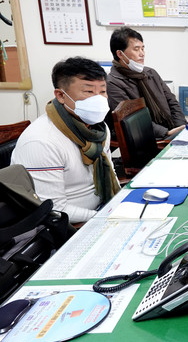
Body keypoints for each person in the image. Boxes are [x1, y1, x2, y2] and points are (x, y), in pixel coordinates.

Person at [11, 57, 121, 224]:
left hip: (103, 209)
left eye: (102, 91)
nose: (98, 99)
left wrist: (120, 204)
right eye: (89, 92)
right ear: (61, 95)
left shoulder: (99, 128)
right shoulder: (42, 141)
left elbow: (110, 171)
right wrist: (103, 218)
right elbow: (54, 209)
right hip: (69, 226)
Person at [107, 27, 186, 139]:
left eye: (142, 48)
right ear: (120, 54)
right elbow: (131, 120)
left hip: (171, 130)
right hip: (149, 138)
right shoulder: (113, 83)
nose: (142, 54)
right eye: (136, 49)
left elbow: (172, 101)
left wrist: (180, 127)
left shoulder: (151, 73)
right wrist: (166, 133)